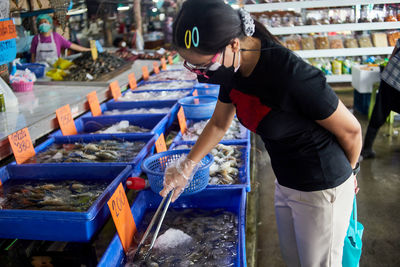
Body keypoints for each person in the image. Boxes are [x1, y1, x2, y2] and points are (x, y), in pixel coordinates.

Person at [159, 0, 362, 266]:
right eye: (191, 66)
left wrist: (347, 178)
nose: (200, 74)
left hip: (322, 187)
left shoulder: (290, 76)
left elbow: (352, 131)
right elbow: (219, 123)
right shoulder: (231, 69)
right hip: (286, 182)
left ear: (233, 45)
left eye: (203, 66)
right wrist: (187, 166)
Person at [361, 40, 400, 159]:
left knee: (380, 111)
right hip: (394, 78)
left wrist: (387, 67)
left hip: (390, 75)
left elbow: (397, 47)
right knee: (380, 111)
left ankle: (366, 149)